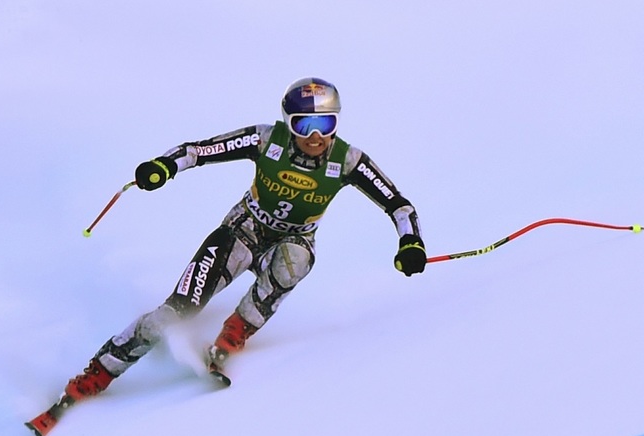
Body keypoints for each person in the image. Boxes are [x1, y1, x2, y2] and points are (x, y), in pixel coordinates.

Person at [67, 77, 426, 397]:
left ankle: (232, 337)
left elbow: (398, 205)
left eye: (325, 124)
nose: (315, 137)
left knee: (295, 262)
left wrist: (411, 243)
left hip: (293, 240)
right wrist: (164, 166)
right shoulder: (266, 138)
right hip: (243, 230)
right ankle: (100, 371)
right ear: (289, 123)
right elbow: (199, 151)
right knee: (176, 312)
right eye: (304, 125)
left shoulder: (349, 160)